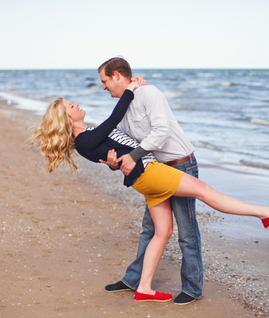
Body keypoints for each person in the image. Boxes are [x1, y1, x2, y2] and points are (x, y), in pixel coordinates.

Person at [31, 80, 269, 302]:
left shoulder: (88, 135)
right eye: (71, 105)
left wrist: (114, 162)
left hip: (143, 176)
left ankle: (144, 287)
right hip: (150, 172)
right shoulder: (85, 137)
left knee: (163, 232)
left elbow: (114, 153)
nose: (77, 105)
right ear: (67, 117)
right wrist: (131, 90)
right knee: (204, 191)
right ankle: (266, 213)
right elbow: (114, 118)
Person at [98, 57, 204, 305]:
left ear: (116, 75)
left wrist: (132, 158)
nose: (103, 87)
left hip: (181, 165)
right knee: (150, 229)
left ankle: (193, 287)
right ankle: (134, 280)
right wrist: (115, 162)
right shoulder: (123, 113)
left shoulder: (149, 93)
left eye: (104, 81)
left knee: (186, 232)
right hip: (156, 171)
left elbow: (161, 132)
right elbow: (125, 146)